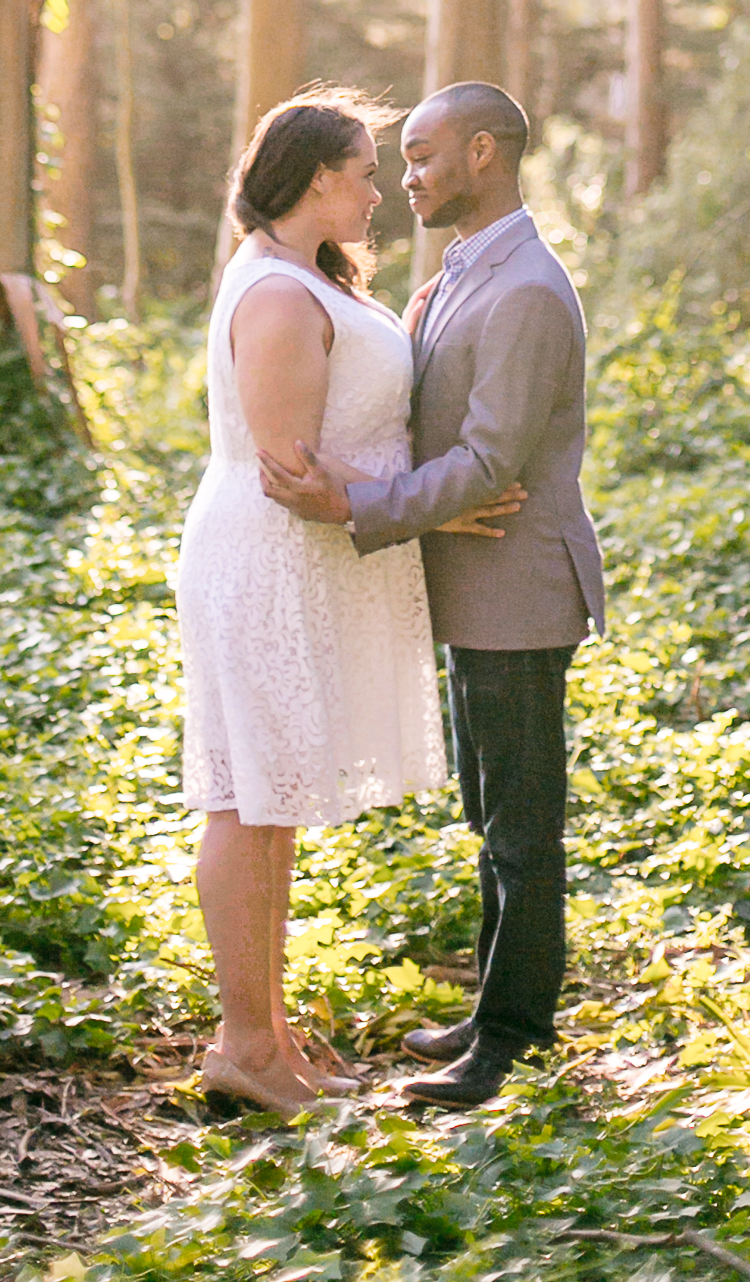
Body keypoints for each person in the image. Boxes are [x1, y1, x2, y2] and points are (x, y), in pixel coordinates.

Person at [175, 86, 523, 1113]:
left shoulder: (301, 275)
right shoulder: (279, 295)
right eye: (367, 171)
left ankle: (269, 1036)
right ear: (320, 177)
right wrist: (423, 513)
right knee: (247, 801)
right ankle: (244, 1046)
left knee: (271, 801)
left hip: (304, 565)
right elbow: (292, 474)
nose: (381, 190)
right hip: (269, 564)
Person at [260, 82, 605, 1109]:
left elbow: (491, 456)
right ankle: (499, 1005)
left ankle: (510, 1039)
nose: (404, 179)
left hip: (519, 586)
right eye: (398, 163)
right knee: (490, 808)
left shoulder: (527, 291)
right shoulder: (464, 275)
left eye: (420, 157)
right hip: (473, 586)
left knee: (521, 821)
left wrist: (355, 504)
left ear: (485, 153)